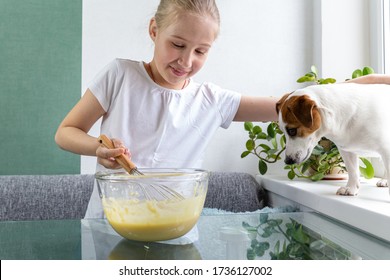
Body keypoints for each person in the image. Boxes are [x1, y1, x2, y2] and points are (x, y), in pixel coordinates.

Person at [55, 0, 278, 221]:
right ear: (154, 30)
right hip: (110, 225)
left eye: (200, 51)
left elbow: (281, 108)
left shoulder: (211, 100)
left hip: (176, 231)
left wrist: (314, 96)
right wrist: (98, 148)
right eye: (178, 45)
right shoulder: (120, 76)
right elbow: (65, 132)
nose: (186, 61)